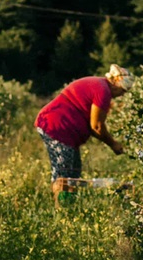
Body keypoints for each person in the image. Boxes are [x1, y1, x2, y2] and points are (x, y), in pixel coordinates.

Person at [34, 64, 134, 202]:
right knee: (65, 175)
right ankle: (63, 210)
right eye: (123, 89)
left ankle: (68, 207)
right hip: (57, 127)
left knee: (73, 173)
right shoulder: (103, 91)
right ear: (116, 82)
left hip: (60, 128)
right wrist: (114, 144)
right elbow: (97, 126)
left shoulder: (99, 85)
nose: (123, 94)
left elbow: (92, 124)